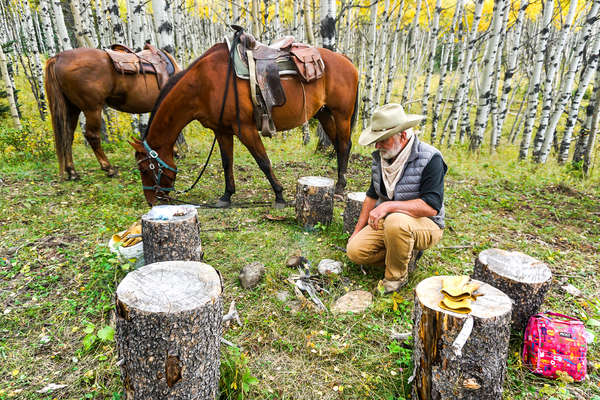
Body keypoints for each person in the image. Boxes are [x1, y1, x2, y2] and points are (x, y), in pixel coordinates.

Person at [346, 103, 447, 293]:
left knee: (396, 221)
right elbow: (372, 195)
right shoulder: (380, 159)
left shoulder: (430, 158)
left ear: (402, 135)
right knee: (355, 251)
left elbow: (431, 206)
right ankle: (403, 252)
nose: (377, 145)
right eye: (376, 140)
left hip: (427, 224)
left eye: (383, 139)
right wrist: (356, 232)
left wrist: (388, 206)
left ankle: (395, 278)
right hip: (393, 222)